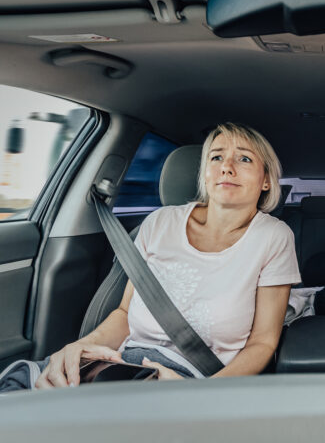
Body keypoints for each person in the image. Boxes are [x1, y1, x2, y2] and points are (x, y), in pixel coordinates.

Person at [34, 122, 301, 387]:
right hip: (121, 365)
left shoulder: (273, 237)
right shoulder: (158, 223)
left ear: (266, 180)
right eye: (217, 156)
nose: (226, 167)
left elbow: (263, 342)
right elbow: (125, 314)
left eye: (244, 159)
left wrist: (202, 394)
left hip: (198, 380)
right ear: (205, 173)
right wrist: (80, 350)